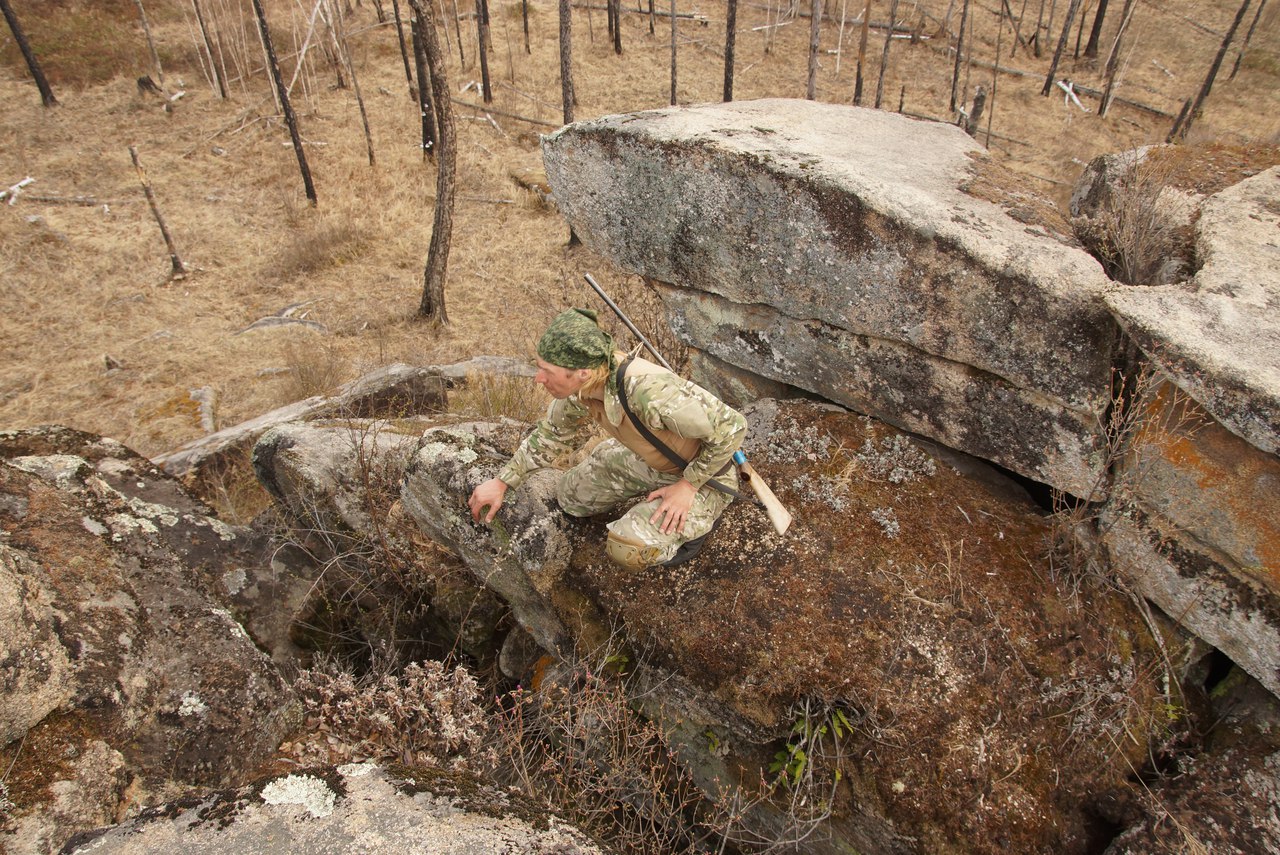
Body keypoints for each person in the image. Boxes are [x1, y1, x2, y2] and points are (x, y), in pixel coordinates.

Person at [467, 308, 747, 568]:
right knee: (570, 497)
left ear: (581, 373)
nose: (538, 379)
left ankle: (694, 527)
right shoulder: (584, 387)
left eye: (547, 372)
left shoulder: (649, 393)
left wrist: (687, 486)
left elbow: (733, 427)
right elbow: (553, 434)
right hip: (654, 461)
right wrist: (503, 482)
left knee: (627, 550)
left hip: (706, 477)